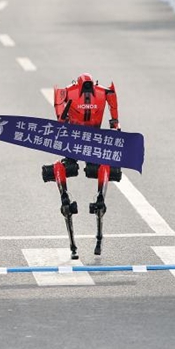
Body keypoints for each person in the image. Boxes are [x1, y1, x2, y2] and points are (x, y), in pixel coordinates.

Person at [42, 73, 122, 259]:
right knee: (103, 165)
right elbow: (114, 117)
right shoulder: (104, 91)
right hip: (93, 140)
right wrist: (115, 130)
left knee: (62, 165)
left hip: (73, 140)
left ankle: (65, 195)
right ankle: (100, 197)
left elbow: (60, 119)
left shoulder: (66, 92)